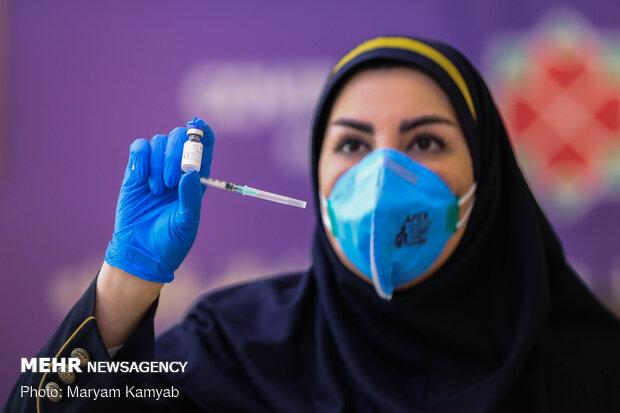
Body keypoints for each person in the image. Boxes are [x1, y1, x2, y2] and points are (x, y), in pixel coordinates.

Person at [4, 36, 620, 413]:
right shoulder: (233, 350)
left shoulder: (590, 369)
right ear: (318, 174)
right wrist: (123, 285)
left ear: (485, 170)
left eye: (425, 142)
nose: (382, 176)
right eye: (352, 145)